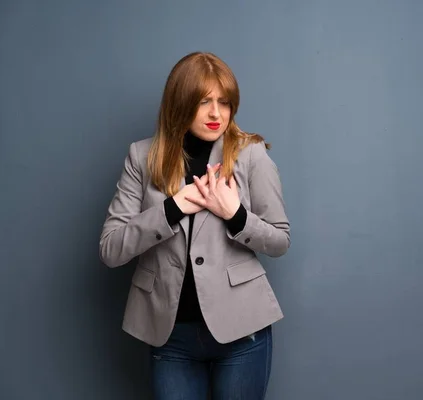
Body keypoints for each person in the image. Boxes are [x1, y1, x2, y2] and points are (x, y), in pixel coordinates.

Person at [99, 52, 290, 400]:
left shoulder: (251, 153)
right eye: (203, 102)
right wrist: (172, 208)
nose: (216, 113)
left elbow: (279, 240)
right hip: (170, 336)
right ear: (179, 102)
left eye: (224, 102)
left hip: (242, 332)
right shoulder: (142, 157)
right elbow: (111, 250)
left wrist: (237, 215)